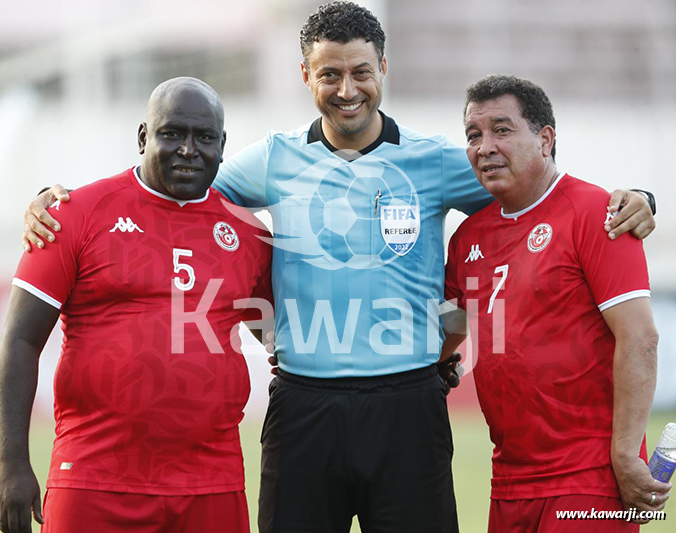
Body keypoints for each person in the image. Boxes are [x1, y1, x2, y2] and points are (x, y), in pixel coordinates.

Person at [19, 3, 657, 532]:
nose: (346, 89)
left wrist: (636, 198)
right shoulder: (269, 160)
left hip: (409, 404)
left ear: (383, 68)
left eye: (360, 71)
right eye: (329, 74)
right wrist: (61, 200)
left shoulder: (440, 162)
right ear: (305, 75)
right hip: (303, 406)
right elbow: (177, 183)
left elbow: (533, 183)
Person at [0, 77, 273, 533]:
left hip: (212, 483)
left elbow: (285, 341)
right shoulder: (71, 215)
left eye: (204, 137)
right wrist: (10, 464)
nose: (188, 149)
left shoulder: (248, 234)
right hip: (93, 479)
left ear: (222, 145)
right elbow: (20, 339)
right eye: (172, 133)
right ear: (144, 136)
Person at [443, 74, 671, 532]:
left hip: (588, 476)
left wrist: (626, 454)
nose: (485, 146)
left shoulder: (599, 213)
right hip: (508, 480)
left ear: (545, 139)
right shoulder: (468, 236)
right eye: (474, 135)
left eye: (502, 130)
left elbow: (640, 337)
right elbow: (447, 330)